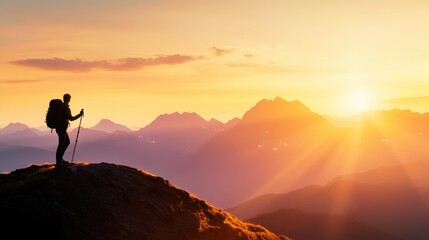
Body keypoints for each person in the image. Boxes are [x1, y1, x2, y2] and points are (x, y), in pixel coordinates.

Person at [56, 93, 84, 165]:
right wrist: (79, 115)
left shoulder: (60, 107)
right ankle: (58, 162)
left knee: (65, 142)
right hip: (62, 128)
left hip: (59, 128)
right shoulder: (66, 108)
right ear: (68, 100)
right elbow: (71, 118)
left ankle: (60, 159)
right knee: (62, 144)